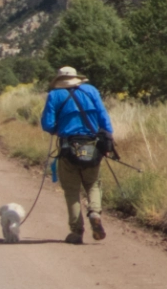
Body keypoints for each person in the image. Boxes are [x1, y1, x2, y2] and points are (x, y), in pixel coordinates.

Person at [39, 65, 116, 244]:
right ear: (76, 78)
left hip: (68, 147)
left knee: (71, 191)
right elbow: (104, 118)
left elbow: (47, 124)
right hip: (93, 146)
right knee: (93, 184)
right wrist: (108, 141)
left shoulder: (54, 95)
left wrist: (59, 130)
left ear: (59, 80)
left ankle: (76, 232)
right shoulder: (91, 91)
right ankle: (95, 212)